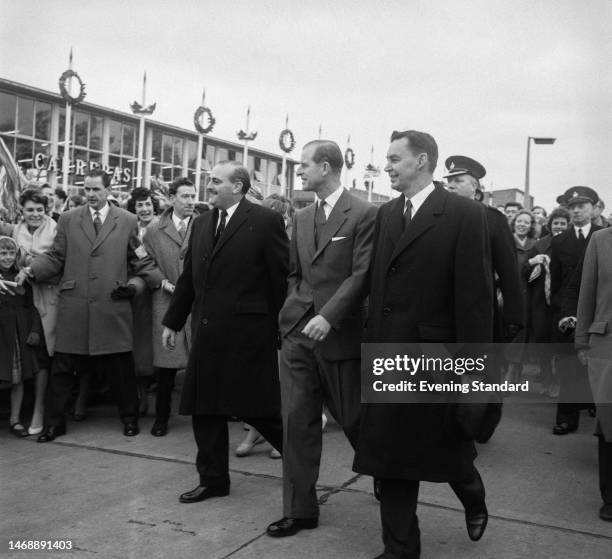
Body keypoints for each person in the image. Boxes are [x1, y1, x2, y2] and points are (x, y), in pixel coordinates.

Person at [353, 130, 494, 559]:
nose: (388, 166)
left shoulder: (464, 215)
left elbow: (475, 300)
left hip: (438, 360)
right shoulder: (386, 214)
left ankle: (472, 493)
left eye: (396, 158)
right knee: (390, 457)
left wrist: (474, 371)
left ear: (422, 161)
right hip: (388, 356)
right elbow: (378, 286)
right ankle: (400, 550)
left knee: (445, 450)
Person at [266, 140, 376, 538]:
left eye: (304, 165)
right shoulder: (302, 215)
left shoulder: (364, 213)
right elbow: (296, 272)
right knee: (296, 422)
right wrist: (290, 314)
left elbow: (361, 275)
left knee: (354, 419)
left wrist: (328, 316)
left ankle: (384, 471)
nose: (299, 171)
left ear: (326, 167)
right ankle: (300, 510)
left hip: (340, 335)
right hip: (297, 333)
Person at [161, 161, 289, 503]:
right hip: (207, 334)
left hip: (248, 336)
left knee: (260, 411)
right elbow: (190, 278)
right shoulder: (202, 223)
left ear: (239, 186)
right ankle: (213, 480)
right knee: (205, 410)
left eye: (216, 181)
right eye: (209, 180)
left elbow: (281, 281)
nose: (209, 185)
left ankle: (301, 463)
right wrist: (173, 321)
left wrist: (281, 330)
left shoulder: (265, 222)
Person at [17, 169, 162, 442]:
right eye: (87, 189)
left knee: (121, 368)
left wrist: (160, 282)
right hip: (75, 306)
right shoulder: (69, 219)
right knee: (62, 369)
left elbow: (139, 260)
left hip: (111, 306)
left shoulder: (128, 220)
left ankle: (129, 419)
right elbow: (56, 257)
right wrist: (32, 270)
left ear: (108, 190)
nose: (91, 195)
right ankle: (54, 424)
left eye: (96, 189)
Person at [236, 193, 296, 459]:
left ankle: (277, 433)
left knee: (281, 382)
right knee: (260, 381)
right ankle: (258, 431)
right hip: (258, 320)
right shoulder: (250, 237)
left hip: (282, 319)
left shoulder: (288, 242)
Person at [444, 156, 523, 349]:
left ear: (475, 187)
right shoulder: (438, 216)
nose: (451, 186)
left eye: (458, 181)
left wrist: (513, 317)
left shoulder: (493, 219)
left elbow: (509, 271)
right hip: (440, 308)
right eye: (449, 181)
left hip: (478, 310)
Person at [142, 177, 196, 436]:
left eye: (192, 196)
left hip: (197, 303)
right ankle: (161, 417)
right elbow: (143, 262)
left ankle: (205, 412)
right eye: (184, 196)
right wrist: (161, 281)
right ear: (172, 198)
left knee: (201, 361)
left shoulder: (203, 226)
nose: (190, 201)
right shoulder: (153, 229)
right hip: (166, 301)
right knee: (165, 366)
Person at [550, 186, 602, 435]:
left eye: (582, 205)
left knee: (599, 364)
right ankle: (566, 418)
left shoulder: (604, 236)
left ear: (594, 208)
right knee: (570, 365)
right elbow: (558, 283)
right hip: (570, 310)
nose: (577, 210)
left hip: (600, 310)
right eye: (572, 207)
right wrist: (563, 313)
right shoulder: (559, 241)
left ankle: (594, 407)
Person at [10, 188, 60, 434]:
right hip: (22, 298)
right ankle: (20, 410)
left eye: (39, 209)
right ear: (22, 210)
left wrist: (30, 266)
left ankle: (39, 409)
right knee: (23, 353)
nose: (35, 214)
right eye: (30, 209)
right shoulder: (14, 230)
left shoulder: (56, 230)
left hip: (48, 296)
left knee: (42, 354)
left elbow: (56, 261)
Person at [574, 226, 612, 522]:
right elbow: (587, 293)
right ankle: (610, 497)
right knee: (609, 420)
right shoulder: (601, 240)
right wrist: (582, 341)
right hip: (606, 343)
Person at [0, 236, 43, 437]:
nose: (7, 257)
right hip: (2, 336)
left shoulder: (21, 277)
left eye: (11, 253)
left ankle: (15, 419)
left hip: (17, 334)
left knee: (17, 380)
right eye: (2, 253)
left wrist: (34, 330)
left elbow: (31, 306)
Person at [525, 207, 570, 396]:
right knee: (542, 341)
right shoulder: (540, 245)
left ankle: (558, 381)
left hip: (563, 302)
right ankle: (546, 377)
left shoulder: (574, 244)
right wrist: (533, 262)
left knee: (559, 343)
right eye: (555, 223)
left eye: (562, 223)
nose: (559, 226)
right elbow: (524, 273)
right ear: (550, 225)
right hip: (541, 301)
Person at [126, 187, 161, 414]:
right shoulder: (130, 229)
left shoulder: (159, 228)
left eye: (148, 204)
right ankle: (140, 391)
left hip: (158, 288)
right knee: (138, 341)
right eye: (140, 205)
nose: (145, 209)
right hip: (136, 292)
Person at [504, 210, 537, 382]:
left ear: (531, 226)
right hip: (505, 291)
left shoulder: (535, 245)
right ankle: (507, 367)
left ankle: (513, 367)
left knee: (521, 330)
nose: (522, 224)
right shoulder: (505, 240)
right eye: (519, 221)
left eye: (526, 222)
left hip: (526, 293)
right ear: (514, 222)